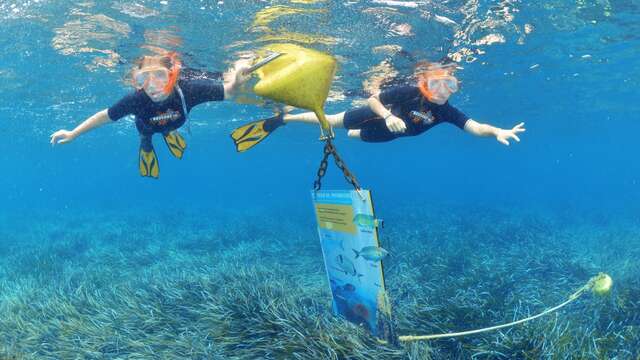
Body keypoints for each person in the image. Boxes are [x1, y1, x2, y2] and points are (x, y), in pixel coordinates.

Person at [230, 61, 525, 151]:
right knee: (331, 121)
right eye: (437, 84)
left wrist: (497, 130)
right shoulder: (408, 90)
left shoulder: (446, 111)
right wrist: (386, 114)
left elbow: (474, 127)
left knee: (356, 136)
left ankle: (354, 135)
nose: (442, 92)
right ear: (425, 84)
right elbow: (373, 98)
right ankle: (286, 118)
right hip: (378, 115)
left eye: (450, 86)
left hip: (390, 135)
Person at [50, 52, 251, 178]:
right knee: (146, 137)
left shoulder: (189, 89)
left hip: (174, 124)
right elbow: (104, 116)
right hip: (147, 127)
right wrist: (73, 133)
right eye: (143, 78)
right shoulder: (134, 99)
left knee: (168, 127)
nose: (152, 85)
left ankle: (168, 133)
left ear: (172, 75)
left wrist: (238, 79)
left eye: (160, 76)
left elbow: (229, 91)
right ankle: (147, 146)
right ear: (136, 81)